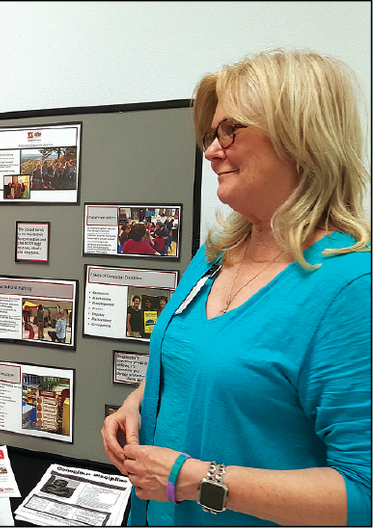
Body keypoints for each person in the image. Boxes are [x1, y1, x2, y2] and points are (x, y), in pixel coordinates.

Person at [101, 49, 370, 526]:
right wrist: (136, 403)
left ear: (299, 137)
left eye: (231, 130)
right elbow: (204, 360)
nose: (210, 151)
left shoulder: (349, 289)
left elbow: (363, 493)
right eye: (211, 133)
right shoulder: (215, 255)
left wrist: (194, 478)